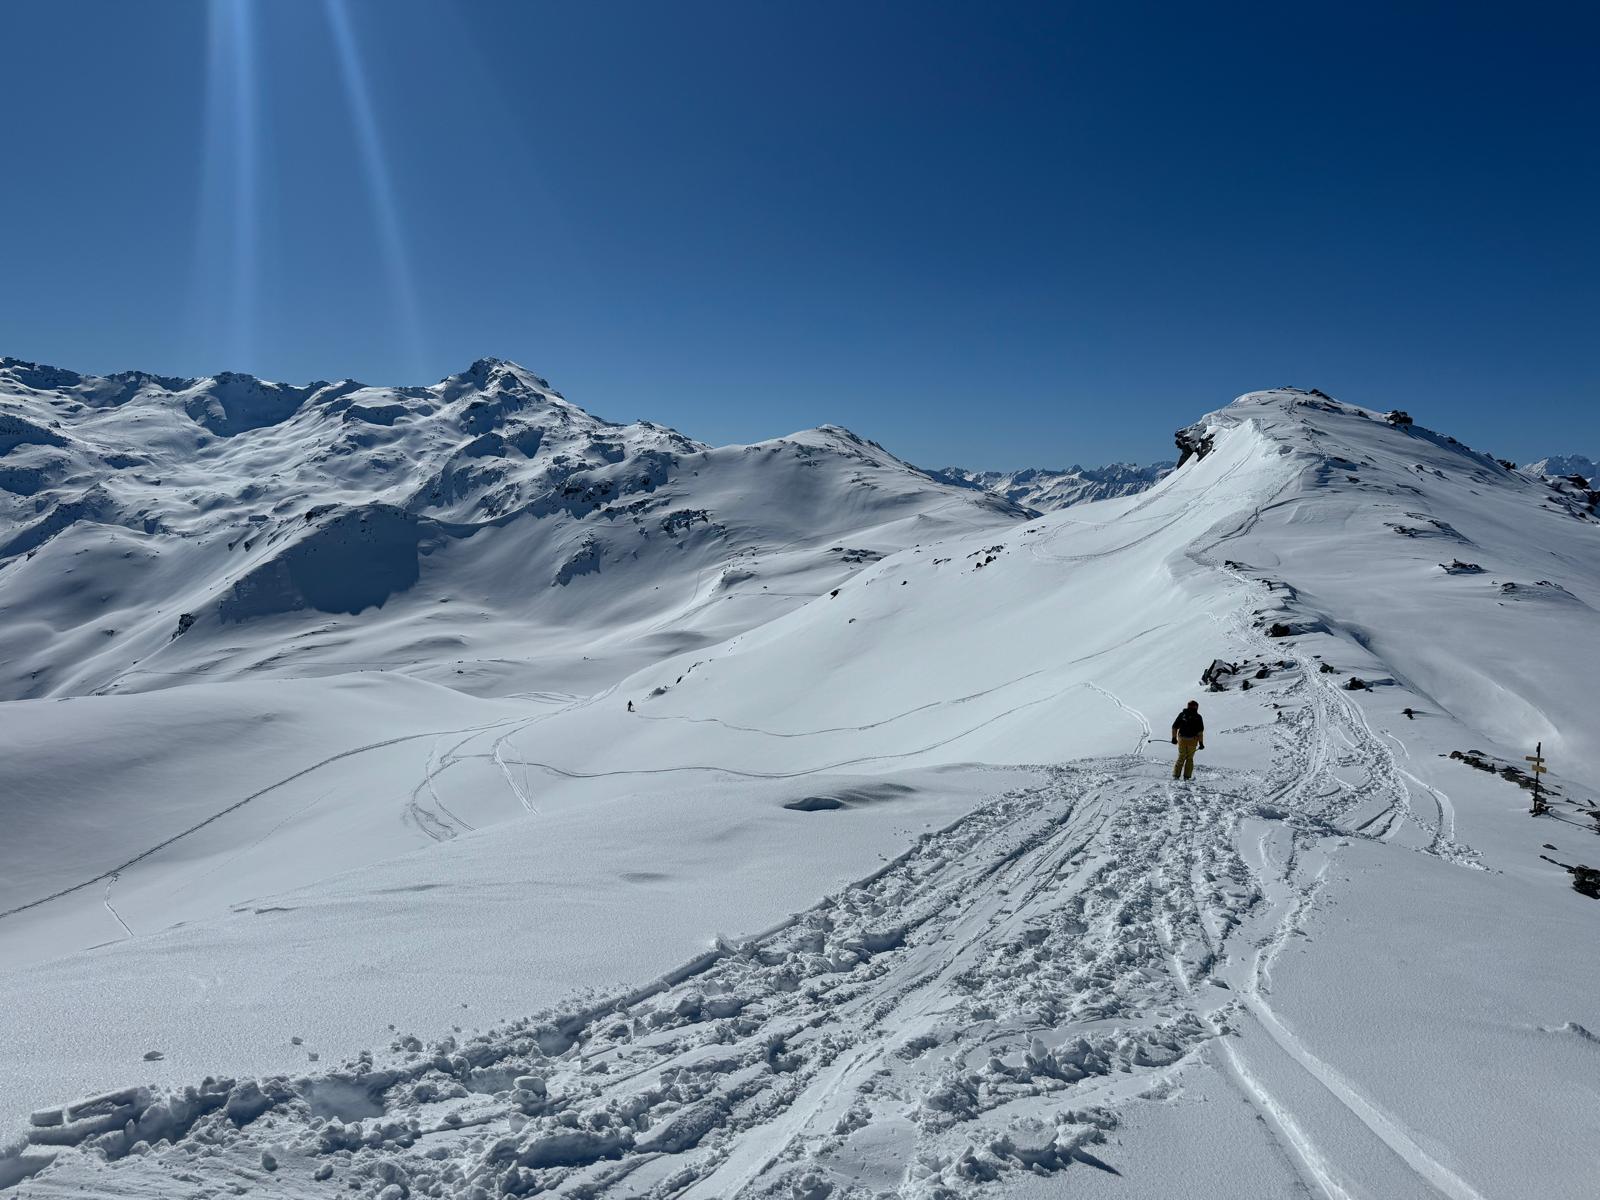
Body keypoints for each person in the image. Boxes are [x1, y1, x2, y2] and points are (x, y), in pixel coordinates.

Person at [1171, 700, 1205, 781]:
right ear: (1196, 707)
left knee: (1181, 757)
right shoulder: (1198, 717)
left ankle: (1176, 775)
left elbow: (1174, 727)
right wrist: (1201, 743)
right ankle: (1186, 777)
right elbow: (1200, 732)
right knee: (1189, 758)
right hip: (1192, 741)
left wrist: (1174, 738)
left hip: (1182, 740)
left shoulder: (1182, 715)